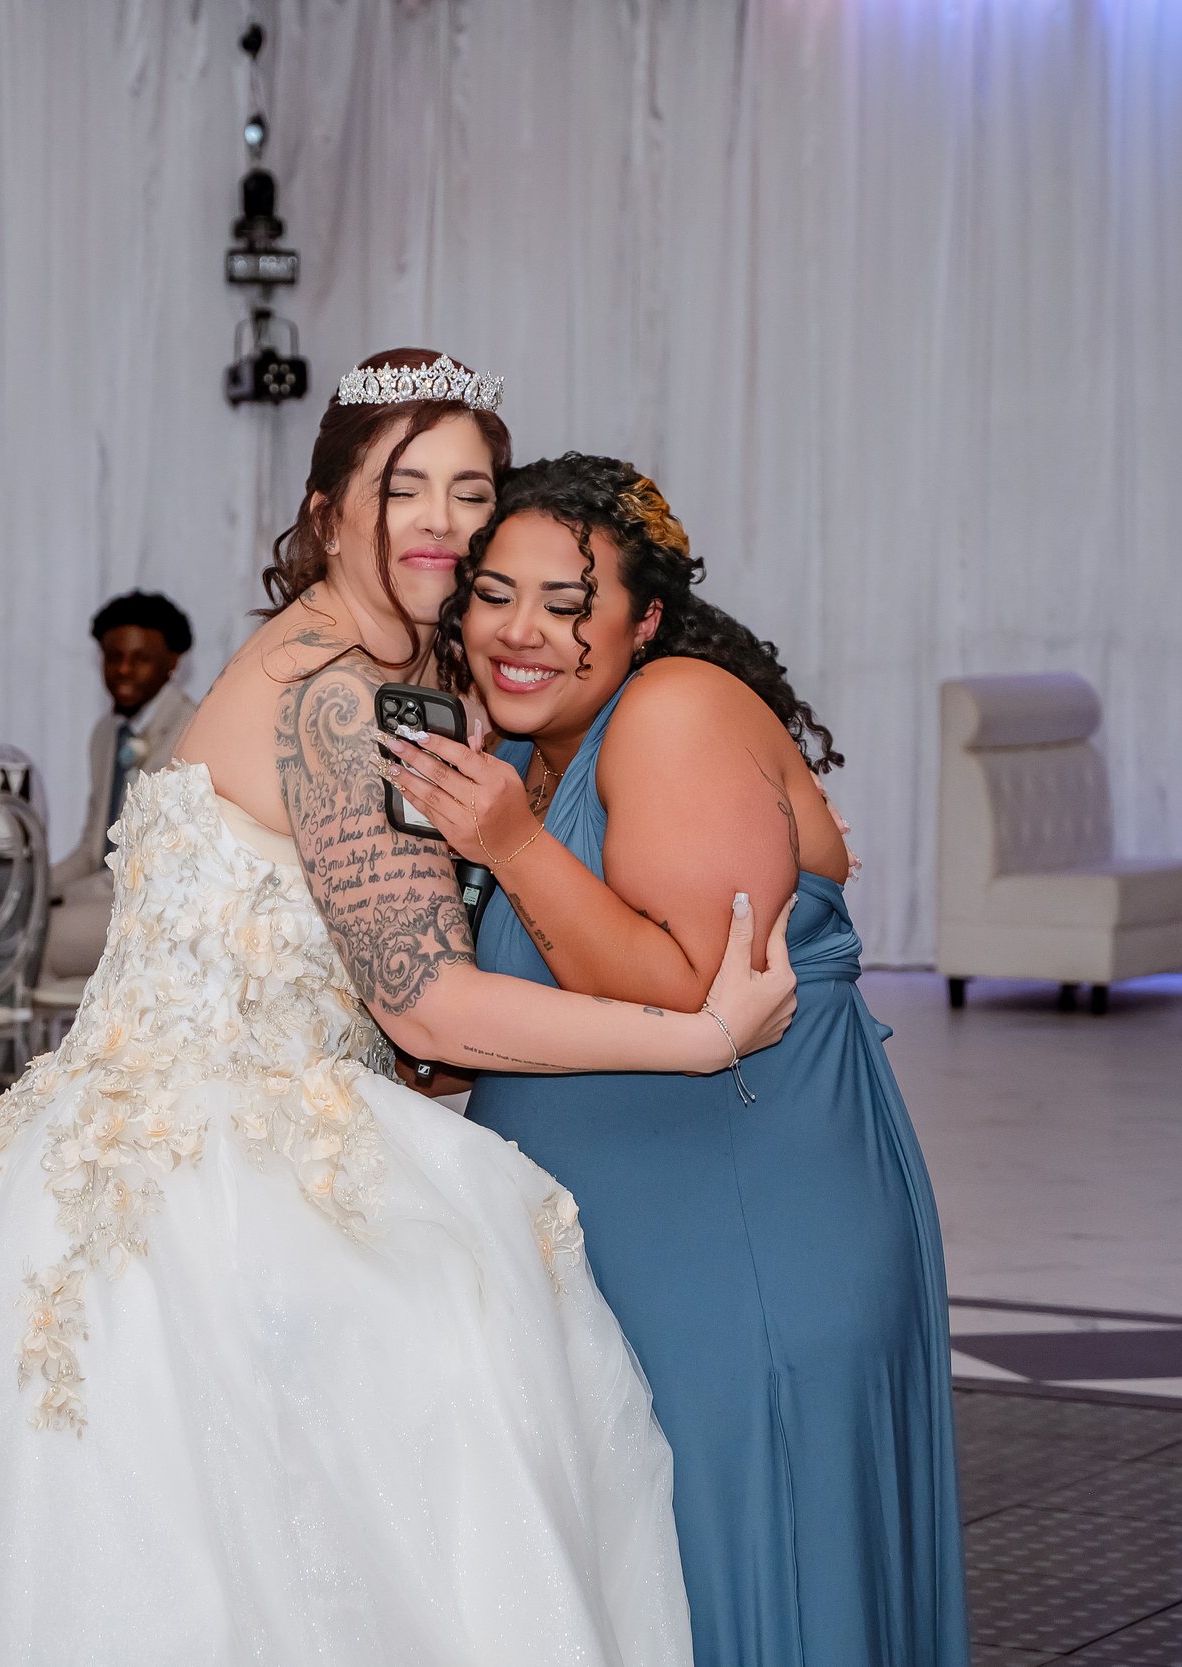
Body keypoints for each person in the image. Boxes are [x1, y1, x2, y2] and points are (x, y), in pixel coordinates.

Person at [0, 351, 798, 1666]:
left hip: (125, 1121)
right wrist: (697, 1032)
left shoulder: (334, 659)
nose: (444, 522)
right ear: (334, 504)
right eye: (409, 486)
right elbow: (427, 1002)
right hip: (229, 1145)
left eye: (472, 488)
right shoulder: (336, 695)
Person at [386, 454, 969, 1666]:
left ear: (642, 619)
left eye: (566, 600)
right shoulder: (546, 753)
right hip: (644, 1244)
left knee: (742, 1575)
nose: (520, 630)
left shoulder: (671, 710)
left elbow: (702, 995)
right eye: (495, 594)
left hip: (742, 1232)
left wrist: (506, 841)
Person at [41, 589, 201, 982]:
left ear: (172, 662)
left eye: (140, 659)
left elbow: (151, 860)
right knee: (13, 927)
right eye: (114, 657)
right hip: (106, 896)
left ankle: (41, 1043)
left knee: (37, 940)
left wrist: (62, 899)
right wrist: (35, 885)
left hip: (158, 906)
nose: (124, 670)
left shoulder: (190, 731)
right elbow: (91, 850)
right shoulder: (106, 733)